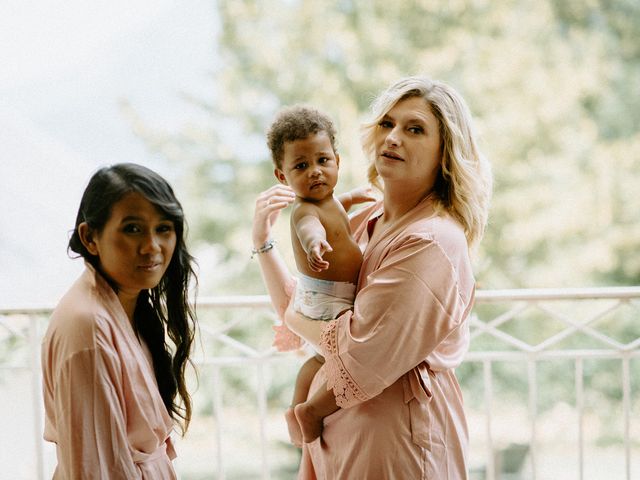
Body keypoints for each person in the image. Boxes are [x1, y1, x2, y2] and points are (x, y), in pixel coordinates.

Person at [252, 76, 492, 478]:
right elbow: (308, 304)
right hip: (336, 437)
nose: (394, 137)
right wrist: (262, 243)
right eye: (387, 123)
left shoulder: (431, 242)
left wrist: (296, 320)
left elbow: (356, 350)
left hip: (394, 442)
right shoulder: (364, 218)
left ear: (444, 151)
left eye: (414, 129)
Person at [41, 163, 198, 479]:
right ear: (90, 237)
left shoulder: (125, 307)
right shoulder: (89, 329)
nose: (152, 246)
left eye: (164, 228)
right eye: (133, 228)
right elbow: (95, 467)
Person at [263, 105, 375, 446]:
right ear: (282, 176)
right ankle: (313, 409)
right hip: (329, 300)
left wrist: (353, 198)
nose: (314, 172)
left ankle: (296, 407)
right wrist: (315, 244)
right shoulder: (304, 210)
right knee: (348, 357)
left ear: (337, 162)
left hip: (325, 295)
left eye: (322, 161)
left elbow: (335, 208)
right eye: (301, 166)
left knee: (317, 359)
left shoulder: (329, 201)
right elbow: (311, 226)